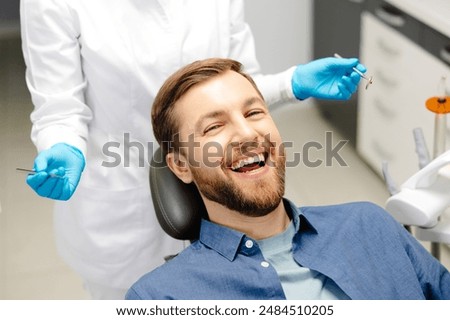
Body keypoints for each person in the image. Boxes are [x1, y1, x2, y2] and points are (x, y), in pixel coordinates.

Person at [20, 0, 365, 299]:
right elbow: (60, 107)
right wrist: (62, 144)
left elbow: (234, 87)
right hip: (123, 208)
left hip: (215, 199)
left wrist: (291, 83)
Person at [126, 58, 450, 300]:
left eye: (254, 113)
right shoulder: (159, 298)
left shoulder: (369, 223)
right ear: (181, 165)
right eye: (214, 127)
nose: (247, 133)